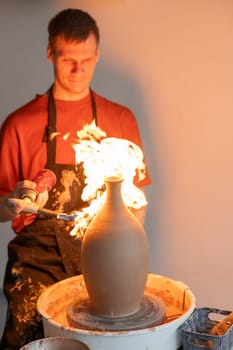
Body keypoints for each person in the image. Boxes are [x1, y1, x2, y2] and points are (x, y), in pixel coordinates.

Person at [0, 8, 151, 350]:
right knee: (27, 338)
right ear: (50, 53)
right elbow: (0, 208)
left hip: (102, 259)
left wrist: (128, 249)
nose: (78, 70)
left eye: (87, 59)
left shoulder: (120, 121)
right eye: (68, 59)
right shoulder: (19, 125)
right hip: (36, 264)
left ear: (97, 55)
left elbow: (137, 202)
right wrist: (13, 204)